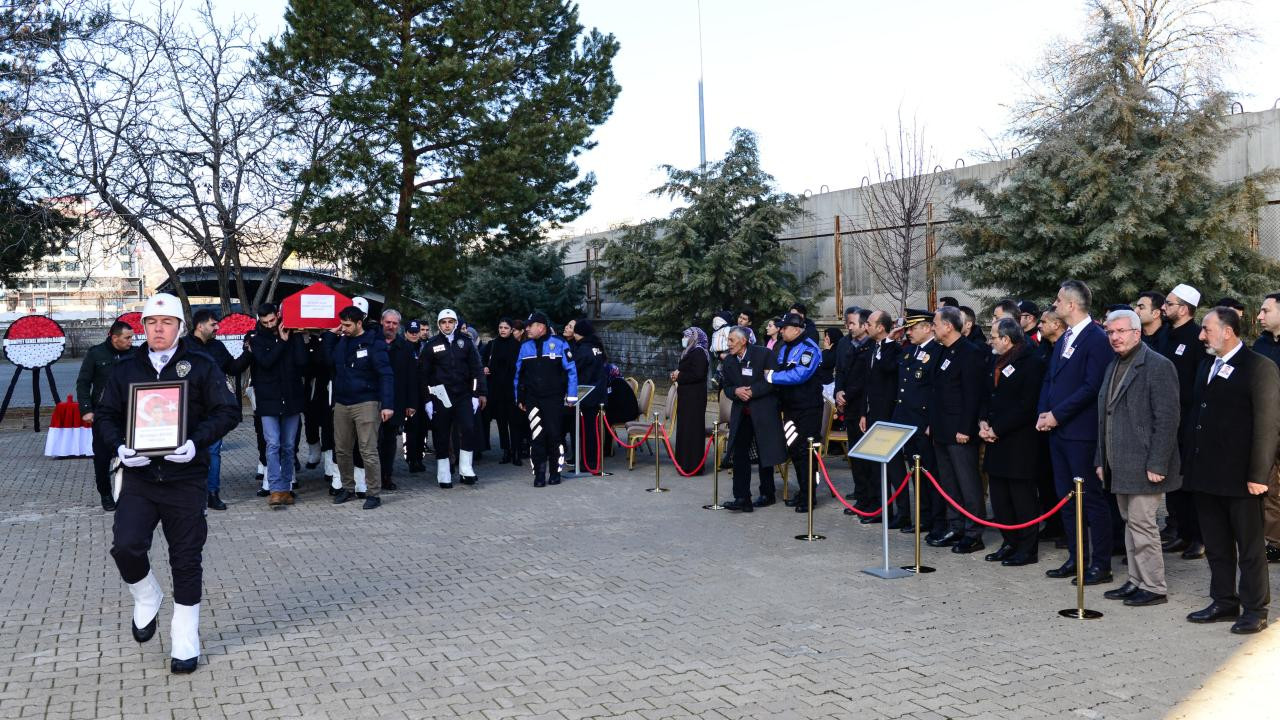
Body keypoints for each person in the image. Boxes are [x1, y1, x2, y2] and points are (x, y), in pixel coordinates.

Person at [95, 293, 240, 674]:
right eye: (152, 324)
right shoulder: (126, 368)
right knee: (126, 546)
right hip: (140, 476)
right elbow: (106, 415)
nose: (159, 330)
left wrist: (196, 443)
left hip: (185, 478)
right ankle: (146, 595)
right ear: (143, 328)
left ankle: (185, 634)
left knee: (186, 557)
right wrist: (121, 448)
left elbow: (228, 410)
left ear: (179, 327)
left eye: (167, 323)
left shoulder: (202, 365)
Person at [1183, 307, 1280, 634]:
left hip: (1242, 479)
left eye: (1206, 329)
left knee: (1250, 548)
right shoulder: (1206, 365)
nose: (1201, 335)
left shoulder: (1259, 367)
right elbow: (1197, 415)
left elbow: (1268, 427)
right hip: (1206, 475)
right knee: (1217, 544)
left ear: (1227, 331)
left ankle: (1256, 609)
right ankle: (1224, 600)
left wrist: (1258, 475)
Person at [1091, 309, 1181, 607]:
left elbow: (1167, 420)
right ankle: (1136, 580)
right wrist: (1101, 460)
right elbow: (1105, 417)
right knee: (1130, 523)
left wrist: (1158, 463)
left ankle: (1154, 586)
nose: (1114, 337)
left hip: (1145, 465)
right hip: (1119, 463)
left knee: (1143, 525)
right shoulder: (1114, 365)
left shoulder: (1158, 365)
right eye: (1110, 332)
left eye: (1120, 331)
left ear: (1136, 333)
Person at [1038, 279, 1114, 586]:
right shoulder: (1066, 337)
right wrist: (1043, 413)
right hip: (1057, 432)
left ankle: (1101, 564)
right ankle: (1076, 557)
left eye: (1058, 300)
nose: (1054, 305)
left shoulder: (1096, 338)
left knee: (1091, 500)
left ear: (1071, 305)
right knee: (1065, 498)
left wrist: (1057, 414)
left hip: (1081, 433)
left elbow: (1091, 387)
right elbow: (1050, 380)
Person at [979, 317, 1046, 566]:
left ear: (1007, 339)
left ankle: (1027, 548)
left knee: (1022, 498)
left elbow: (1026, 405)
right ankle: (1010, 542)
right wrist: (983, 422)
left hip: (1019, 441)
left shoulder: (1031, 361)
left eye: (994, 337)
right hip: (995, 438)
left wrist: (998, 428)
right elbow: (987, 394)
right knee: (1000, 497)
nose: (990, 341)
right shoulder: (995, 359)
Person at [928, 307, 987, 552]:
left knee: (967, 482)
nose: (933, 327)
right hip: (942, 428)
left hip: (960, 431)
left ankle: (973, 532)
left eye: (935, 323)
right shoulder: (943, 351)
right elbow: (938, 390)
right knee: (949, 481)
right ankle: (956, 526)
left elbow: (973, 395)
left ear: (948, 326)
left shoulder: (969, 352)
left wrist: (966, 428)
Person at [327, 305, 394, 509]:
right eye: (342, 324)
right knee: (342, 449)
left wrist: (387, 405)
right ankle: (348, 488)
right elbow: (328, 360)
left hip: (366, 401)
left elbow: (386, 374)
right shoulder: (341, 342)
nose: (343, 328)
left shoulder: (374, 343)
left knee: (368, 450)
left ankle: (373, 493)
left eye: (347, 325)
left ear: (359, 323)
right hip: (342, 402)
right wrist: (331, 336)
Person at [1158, 283, 1207, 559]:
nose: (1164, 308)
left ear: (1185, 309)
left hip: (1188, 420)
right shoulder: (1166, 335)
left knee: (1190, 483)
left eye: (1169, 303)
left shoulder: (1196, 337)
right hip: (1166, 420)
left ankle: (1199, 537)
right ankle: (1180, 531)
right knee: (1172, 481)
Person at [187, 310, 252, 511]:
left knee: (214, 452)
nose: (217, 328)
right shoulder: (183, 346)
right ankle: (190, 494)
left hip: (214, 409)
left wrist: (249, 352)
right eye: (213, 324)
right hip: (188, 410)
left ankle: (212, 493)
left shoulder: (217, 346)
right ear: (200, 326)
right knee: (190, 452)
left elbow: (232, 368)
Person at [418, 308, 486, 488]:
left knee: (469, 428)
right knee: (441, 433)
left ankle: (466, 468)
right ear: (439, 324)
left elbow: (476, 370)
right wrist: (427, 400)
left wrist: (475, 394)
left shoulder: (466, 342)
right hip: (441, 396)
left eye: (450, 322)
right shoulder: (431, 345)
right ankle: (443, 472)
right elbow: (423, 375)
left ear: (455, 323)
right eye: (443, 322)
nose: (447, 325)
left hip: (463, 395)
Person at [248, 305, 307, 508]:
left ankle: (286, 487)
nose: (270, 325)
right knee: (272, 444)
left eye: (272, 320)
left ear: (278, 316)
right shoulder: (256, 339)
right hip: (268, 400)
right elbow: (265, 362)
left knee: (289, 446)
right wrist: (281, 342)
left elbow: (302, 362)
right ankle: (274, 488)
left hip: (291, 399)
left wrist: (296, 337)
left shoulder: (292, 335)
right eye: (265, 322)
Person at [766, 312, 825, 512]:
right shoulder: (785, 347)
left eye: (784, 328)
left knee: (807, 452)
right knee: (796, 451)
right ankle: (802, 492)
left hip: (808, 409)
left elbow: (799, 375)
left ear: (797, 329)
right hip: (790, 408)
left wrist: (771, 377)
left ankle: (810, 496)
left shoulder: (809, 349)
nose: (781, 331)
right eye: (780, 328)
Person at [721, 327, 784, 511]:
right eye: (728, 340)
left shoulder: (764, 354)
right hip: (742, 414)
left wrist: (753, 391)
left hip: (763, 412)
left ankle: (767, 493)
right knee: (740, 454)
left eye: (732, 340)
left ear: (744, 341)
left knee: (765, 453)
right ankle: (741, 497)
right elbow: (726, 387)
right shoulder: (729, 361)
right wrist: (736, 391)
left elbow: (772, 380)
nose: (729, 344)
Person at [514, 311, 578, 487]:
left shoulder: (559, 344)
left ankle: (555, 473)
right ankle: (539, 474)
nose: (527, 328)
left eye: (530, 325)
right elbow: (518, 374)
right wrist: (519, 396)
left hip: (554, 399)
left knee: (554, 436)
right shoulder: (525, 346)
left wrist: (572, 396)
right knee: (536, 436)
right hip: (533, 399)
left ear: (540, 327)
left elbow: (571, 370)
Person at [77, 321, 135, 511]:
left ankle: (133, 494)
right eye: (127, 338)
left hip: (130, 414)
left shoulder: (135, 354)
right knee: (102, 458)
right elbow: (83, 383)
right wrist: (86, 410)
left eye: (131, 337)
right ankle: (106, 494)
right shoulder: (96, 354)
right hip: (103, 415)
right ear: (114, 337)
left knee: (134, 455)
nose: (130, 341)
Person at [896, 310, 945, 535]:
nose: (908, 332)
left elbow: (936, 391)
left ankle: (938, 521)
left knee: (931, 474)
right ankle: (923, 517)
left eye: (912, 328)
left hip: (924, 423)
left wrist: (933, 422)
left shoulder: (937, 352)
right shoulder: (910, 351)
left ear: (927, 328)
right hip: (908, 422)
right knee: (916, 473)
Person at [851, 310, 901, 520]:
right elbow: (868, 384)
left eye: (870, 323)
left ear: (881, 327)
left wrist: (889, 342)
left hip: (888, 416)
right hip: (871, 415)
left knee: (894, 470)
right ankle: (880, 510)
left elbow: (887, 368)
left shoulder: (893, 349)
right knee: (874, 467)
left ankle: (902, 512)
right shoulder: (873, 348)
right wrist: (863, 413)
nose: (866, 327)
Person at [375, 309, 417, 491]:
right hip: (373, 400)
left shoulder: (405, 347)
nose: (391, 326)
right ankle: (371, 476)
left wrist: (411, 403)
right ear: (381, 322)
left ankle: (386, 476)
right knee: (371, 441)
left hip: (396, 401)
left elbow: (411, 377)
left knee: (390, 442)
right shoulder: (372, 342)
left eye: (394, 323)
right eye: (388, 322)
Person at [1253, 293, 1280, 564]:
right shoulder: (1260, 345)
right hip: (1269, 426)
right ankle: (1275, 542)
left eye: (1265, 311)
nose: (1260, 316)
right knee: (1269, 485)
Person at [671, 326, 710, 475]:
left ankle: (693, 465)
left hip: (695, 398)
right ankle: (683, 463)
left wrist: (680, 376)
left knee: (692, 430)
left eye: (687, 336)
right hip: (687, 396)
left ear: (694, 337)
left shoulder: (699, 352)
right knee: (685, 429)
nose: (684, 339)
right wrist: (676, 375)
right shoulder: (690, 351)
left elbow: (698, 374)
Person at [571, 318, 608, 472]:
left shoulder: (583, 349)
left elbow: (574, 369)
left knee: (586, 432)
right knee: (593, 431)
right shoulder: (596, 347)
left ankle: (587, 464)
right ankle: (592, 461)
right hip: (598, 394)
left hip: (586, 395)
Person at [485, 317, 522, 466]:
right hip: (497, 391)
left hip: (512, 391)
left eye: (506, 328)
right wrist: (484, 368)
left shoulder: (518, 346)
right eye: (500, 327)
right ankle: (506, 451)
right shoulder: (492, 344)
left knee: (515, 423)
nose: (502, 330)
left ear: (511, 329)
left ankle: (517, 452)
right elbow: (481, 360)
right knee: (501, 423)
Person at [402, 320, 429, 473]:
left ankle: (419, 458)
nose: (414, 334)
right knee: (411, 429)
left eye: (416, 331)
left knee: (422, 428)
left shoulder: (425, 348)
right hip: (408, 394)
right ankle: (411, 459)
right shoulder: (402, 347)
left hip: (423, 394)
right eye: (411, 332)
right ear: (405, 333)